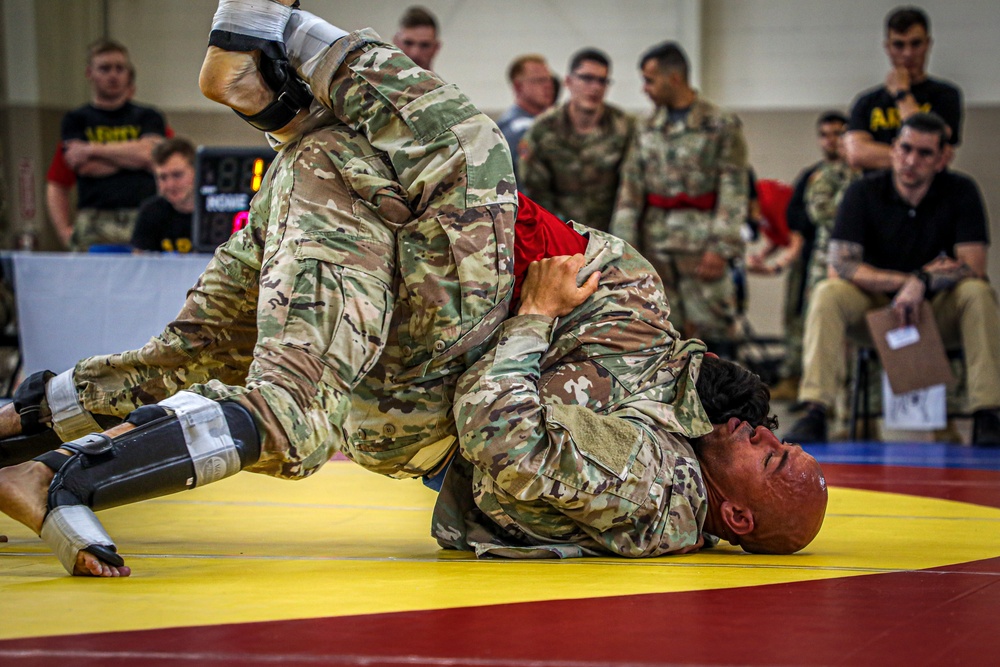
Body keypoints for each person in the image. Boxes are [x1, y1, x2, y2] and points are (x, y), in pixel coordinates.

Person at [0, 3, 825, 575]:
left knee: (475, 160)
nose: (764, 432)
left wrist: (537, 316)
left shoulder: (666, 493)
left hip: (428, 399)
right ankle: (16, 446)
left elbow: (497, 430)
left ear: (741, 517)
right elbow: (609, 282)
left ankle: (277, 56)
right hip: (392, 274)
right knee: (192, 348)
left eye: (774, 456)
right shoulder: (677, 411)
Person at [784, 113, 1000, 446]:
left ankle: (987, 412)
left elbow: (973, 265)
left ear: (943, 158)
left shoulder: (961, 191)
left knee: (977, 291)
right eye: (905, 148)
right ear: (894, 148)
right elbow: (840, 265)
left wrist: (923, 284)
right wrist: (907, 282)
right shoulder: (861, 192)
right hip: (875, 310)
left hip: (937, 309)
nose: (911, 160)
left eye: (924, 153)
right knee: (828, 293)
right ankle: (816, 409)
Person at [610, 41, 749, 352]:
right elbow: (629, 192)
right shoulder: (645, 126)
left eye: (650, 80)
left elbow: (734, 189)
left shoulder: (720, 124)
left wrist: (722, 247)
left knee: (715, 332)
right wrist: (624, 252)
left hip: (702, 248)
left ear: (674, 78)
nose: (645, 88)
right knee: (659, 329)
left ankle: (719, 399)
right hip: (655, 248)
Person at [56, 40, 167, 251]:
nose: (113, 75)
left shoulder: (149, 116)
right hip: (94, 220)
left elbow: (151, 154)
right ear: (90, 73)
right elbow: (84, 166)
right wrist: (135, 158)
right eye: (105, 68)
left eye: (119, 68)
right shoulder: (76, 119)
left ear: (129, 73)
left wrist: (91, 149)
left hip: (142, 215)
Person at [771, 111, 851, 400]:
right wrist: (780, 261)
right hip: (809, 260)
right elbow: (796, 226)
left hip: (846, 261)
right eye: (825, 134)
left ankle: (838, 396)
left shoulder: (861, 177)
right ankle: (799, 384)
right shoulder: (812, 176)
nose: (831, 141)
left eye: (838, 133)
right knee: (799, 321)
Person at [519, 48, 633, 233]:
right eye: (587, 78)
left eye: (602, 81)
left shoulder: (624, 127)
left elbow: (631, 190)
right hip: (559, 233)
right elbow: (536, 194)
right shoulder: (543, 130)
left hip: (611, 236)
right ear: (568, 81)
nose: (595, 87)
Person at [844, 6, 961, 171]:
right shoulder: (867, 102)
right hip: (877, 193)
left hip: (929, 194)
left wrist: (902, 94)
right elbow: (856, 154)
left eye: (915, 44)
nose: (907, 53)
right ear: (888, 48)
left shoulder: (945, 95)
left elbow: (935, 143)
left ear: (927, 44)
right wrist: (921, 157)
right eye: (899, 45)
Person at [496, 54, 555, 184]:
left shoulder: (549, 122)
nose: (548, 86)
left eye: (549, 80)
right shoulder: (515, 129)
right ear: (518, 86)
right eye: (539, 80)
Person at [130, 138, 197, 253]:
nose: (170, 185)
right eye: (163, 177)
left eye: (177, 175)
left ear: (197, 171)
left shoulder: (216, 211)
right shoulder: (151, 211)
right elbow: (140, 266)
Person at [393, 5, 440, 72]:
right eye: (408, 43)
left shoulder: (439, 83)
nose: (415, 53)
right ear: (395, 42)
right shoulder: (375, 80)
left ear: (435, 48)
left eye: (424, 45)